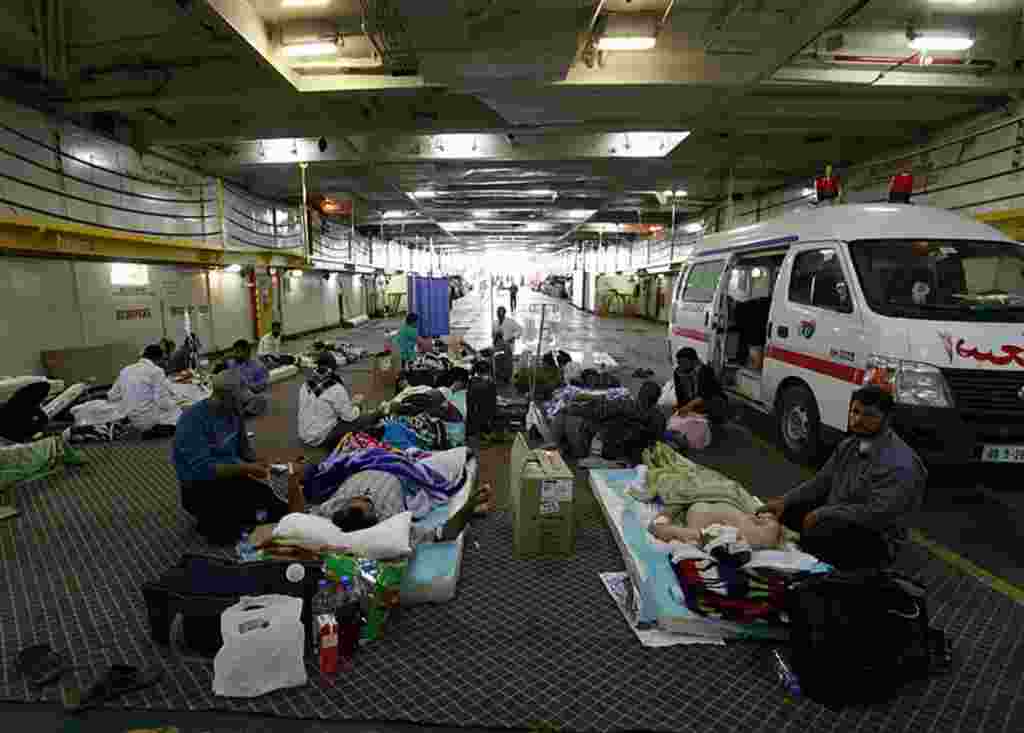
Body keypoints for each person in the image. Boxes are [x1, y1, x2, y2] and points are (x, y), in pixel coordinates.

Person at [756, 385, 927, 570]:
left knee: (819, 533)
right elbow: (821, 482)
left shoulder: (901, 463)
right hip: (838, 513)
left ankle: (827, 575)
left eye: (869, 415)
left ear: (887, 419)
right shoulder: (848, 445)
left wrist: (821, 514)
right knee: (786, 512)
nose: (858, 420)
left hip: (877, 536)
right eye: (855, 412)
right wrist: (784, 500)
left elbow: (875, 514)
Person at [249, 464, 495, 553]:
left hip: (360, 461)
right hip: (402, 469)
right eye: (365, 504)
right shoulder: (392, 520)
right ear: (375, 516)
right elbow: (445, 534)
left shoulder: (330, 511)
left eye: (354, 500)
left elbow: (296, 517)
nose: (361, 498)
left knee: (315, 471)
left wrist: (293, 482)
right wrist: (469, 505)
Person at [172, 370, 290, 544]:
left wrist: (262, 463)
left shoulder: (234, 412)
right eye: (239, 401)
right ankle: (210, 518)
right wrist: (247, 468)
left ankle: (230, 515)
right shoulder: (191, 421)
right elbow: (204, 469)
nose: (243, 407)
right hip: (200, 486)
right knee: (225, 534)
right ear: (223, 397)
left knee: (279, 511)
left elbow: (244, 451)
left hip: (233, 476)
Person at [298, 351, 379, 448]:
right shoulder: (336, 387)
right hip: (321, 437)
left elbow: (323, 404)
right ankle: (380, 412)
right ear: (334, 368)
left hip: (304, 435)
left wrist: (350, 404)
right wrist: (357, 405)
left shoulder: (305, 385)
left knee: (344, 414)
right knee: (361, 420)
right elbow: (350, 417)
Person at [107, 344, 181, 438]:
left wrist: (131, 400)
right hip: (150, 420)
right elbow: (162, 402)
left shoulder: (125, 370)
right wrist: (177, 403)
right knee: (180, 414)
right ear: (158, 359)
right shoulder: (156, 371)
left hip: (131, 418)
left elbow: (112, 396)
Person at [649, 502, 785, 550]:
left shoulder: (734, 534)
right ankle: (663, 522)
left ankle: (663, 522)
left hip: (704, 517)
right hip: (704, 513)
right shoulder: (748, 525)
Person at [672, 347, 728, 424]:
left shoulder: (706, 371)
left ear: (694, 361)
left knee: (716, 402)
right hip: (693, 402)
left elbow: (705, 394)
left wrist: (688, 406)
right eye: (679, 363)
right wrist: (680, 407)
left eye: (684, 363)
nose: (681, 366)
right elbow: (679, 394)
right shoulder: (678, 372)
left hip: (710, 401)